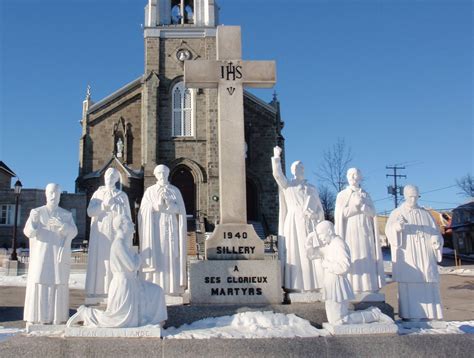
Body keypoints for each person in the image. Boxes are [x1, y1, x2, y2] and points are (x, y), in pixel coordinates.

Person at [67, 214, 167, 328]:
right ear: (122, 226)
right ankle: (86, 314)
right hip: (123, 285)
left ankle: (154, 321)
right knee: (117, 320)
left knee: (156, 291)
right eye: (130, 223)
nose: (133, 224)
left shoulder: (124, 245)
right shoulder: (118, 245)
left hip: (131, 283)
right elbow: (132, 266)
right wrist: (140, 256)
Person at [308, 221, 385, 325]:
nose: (320, 238)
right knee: (334, 320)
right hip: (330, 285)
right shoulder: (329, 245)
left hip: (337, 285)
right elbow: (312, 255)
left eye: (321, 234)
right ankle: (371, 314)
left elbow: (344, 266)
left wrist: (326, 264)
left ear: (329, 231)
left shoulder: (339, 244)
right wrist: (309, 242)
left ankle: (373, 314)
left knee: (339, 320)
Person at [385, 185, 443, 321]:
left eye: (416, 196)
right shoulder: (397, 213)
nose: (413, 199)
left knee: (427, 281)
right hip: (409, 253)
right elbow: (389, 231)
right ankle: (410, 314)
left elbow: (436, 232)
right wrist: (398, 227)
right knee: (410, 283)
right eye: (411, 196)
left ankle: (431, 314)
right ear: (405, 196)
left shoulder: (426, 214)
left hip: (425, 254)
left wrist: (436, 241)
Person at [23, 183, 78, 325]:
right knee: (40, 282)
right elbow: (28, 232)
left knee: (57, 283)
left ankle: (57, 316)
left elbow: (74, 232)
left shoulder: (65, 214)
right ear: (46, 194)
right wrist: (34, 223)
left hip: (57, 257)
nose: (54, 196)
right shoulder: (37, 212)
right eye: (51, 193)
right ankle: (39, 317)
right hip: (41, 256)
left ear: (60, 195)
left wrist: (63, 226)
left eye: (57, 193)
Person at [271, 146, 324, 291]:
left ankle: (315, 284)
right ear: (292, 170)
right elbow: (277, 174)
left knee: (311, 252)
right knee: (295, 252)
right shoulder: (288, 185)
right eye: (296, 168)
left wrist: (316, 215)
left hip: (310, 223)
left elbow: (320, 209)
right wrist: (276, 157)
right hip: (294, 222)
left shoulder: (312, 188)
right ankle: (296, 285)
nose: (299, 170)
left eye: (301, 168)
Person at [334, 168, 384, 295]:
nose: (353, 177)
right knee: (353, 255)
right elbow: (341, 214)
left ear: (360, 177)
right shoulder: (342, 195)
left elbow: (372, 213)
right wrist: (355, 207)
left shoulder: (366, 194)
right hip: (350, 230)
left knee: (367, 256)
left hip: (365, 230)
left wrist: (363, 206)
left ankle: (368, 286)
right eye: (350, 174)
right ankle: (352, 286)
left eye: (355, 174)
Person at [139, 164, 187, 295]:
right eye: (159, 173)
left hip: (172, 228)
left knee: (171, 256)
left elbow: (181, 210)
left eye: (164, 173)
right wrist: (156, 205)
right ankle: (154, 289)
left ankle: (172, 288)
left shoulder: (174, 191)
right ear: (155, 175)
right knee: (158, 256)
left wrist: (170, 206)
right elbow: (143, 211)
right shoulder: (150, 191)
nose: (162, 175)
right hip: (156, 230)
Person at [85, 168, 131, 304]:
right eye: (107, 176)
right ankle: (99, 291)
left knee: (114, 262)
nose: (109, 178)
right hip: (101, 234)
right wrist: (104, 205)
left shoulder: (122, 196)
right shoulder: (98, 194)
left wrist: (117, 208)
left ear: (117, 179)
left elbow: (127, 216)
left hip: (116, 235)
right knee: (101, 261)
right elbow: (90, 212)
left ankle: (115, 291)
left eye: (112, 177)